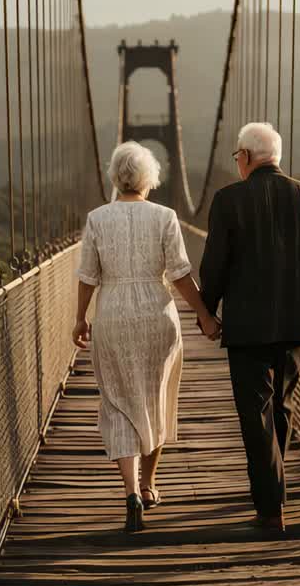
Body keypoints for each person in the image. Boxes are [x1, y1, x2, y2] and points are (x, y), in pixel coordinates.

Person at [73, 141, 222, 533]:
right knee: (155, 396)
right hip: (158, 313)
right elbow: (179, 274)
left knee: (119, 402)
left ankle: (130, 493)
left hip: (113, 314)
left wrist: (79, 319)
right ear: (149, 178)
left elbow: (88, 277)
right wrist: (205, 314)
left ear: (114, 176)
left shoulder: (97, 219)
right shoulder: (165, 216)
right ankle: (150, 483)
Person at [199, 122, 300, 533]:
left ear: (246, 156)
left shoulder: (228, 200)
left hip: (248, 327)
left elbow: (215, 264)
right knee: (282, 409)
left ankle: (271, 508)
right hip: (295, 324)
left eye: (237, 157)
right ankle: (274, 490)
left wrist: (207, 312)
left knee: (255, 414)